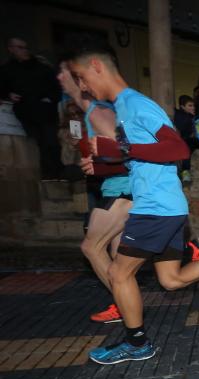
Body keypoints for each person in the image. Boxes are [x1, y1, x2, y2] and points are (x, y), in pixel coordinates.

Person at [66, 38, 199, 365]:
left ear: (97, 66)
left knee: (121, 275)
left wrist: (120, 151)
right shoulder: (123, 109)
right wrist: (105, 165)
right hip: (166, 206)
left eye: (81, 76)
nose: (82, 86)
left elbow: (176, 149)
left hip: (155, 208)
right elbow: (143, 159)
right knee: (171, 279)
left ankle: (137, 344)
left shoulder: (135, 104)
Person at [57, 58, 134, 324]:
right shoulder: (92, 110)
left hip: (121, 190)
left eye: (64, 73)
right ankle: (123, 304)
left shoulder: (98, 111)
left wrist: (98, 163)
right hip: (119, 188)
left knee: (91, 247)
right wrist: (96, 162)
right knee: (116, 256)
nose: (59, 78)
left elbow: (125, 149)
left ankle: (126, 306)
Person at [0, 38, 63, 179]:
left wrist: (49, 99)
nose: (24, 51)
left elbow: (56, 89)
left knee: (51, 143)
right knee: (35, 145)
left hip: (46, 113)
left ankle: (55, 175)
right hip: (26, 113)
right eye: (20, 48)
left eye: (26, 47)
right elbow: (3, 89)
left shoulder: (41, 68)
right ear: (11, 49)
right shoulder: (6, 70)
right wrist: (8, 95)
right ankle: (44, 176)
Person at [174, 95, 199, 182]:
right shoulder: (179, 115)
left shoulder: (194, 116)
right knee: (186, 148)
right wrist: (190, 119)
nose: (193, 108)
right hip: (185, 140)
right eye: (190, 106)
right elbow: (182, 128)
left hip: (195, 140)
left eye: (193, 106)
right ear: (182, 107)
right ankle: (185, 172)